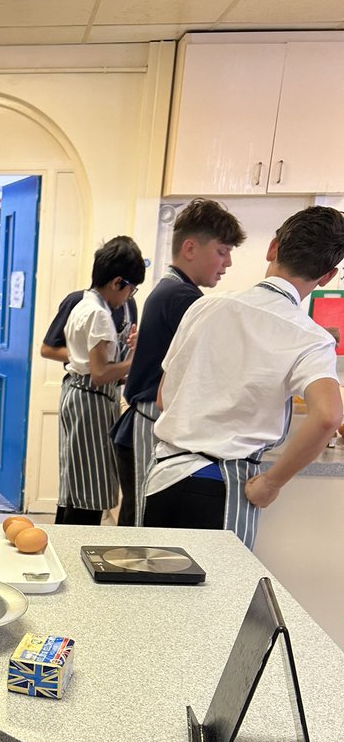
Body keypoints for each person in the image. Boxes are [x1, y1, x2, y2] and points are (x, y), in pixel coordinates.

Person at [142, 206, 344, 549]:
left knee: (153, 594)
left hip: (163, 478)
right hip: (223, 487)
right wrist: (272, 483)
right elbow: (328, 416)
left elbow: (164, 398)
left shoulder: (205, 307)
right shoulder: (309, 337)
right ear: (327, 276)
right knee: (216, 602)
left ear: (273, 247)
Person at [114, 199, 245, 524]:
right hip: (149, 421)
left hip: (142, 422)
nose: (227, 262)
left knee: (136, 526)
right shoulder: (183, 298)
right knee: (142, 533)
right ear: (190, 248)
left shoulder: (171, 290)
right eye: (222, 251)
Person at [55, 236, 146, 525]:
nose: (130, 296)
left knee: (75, 486)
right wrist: (137, 359)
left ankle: (65, 547)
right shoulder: (98, 315)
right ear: (117, 281)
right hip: (90, 400)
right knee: (88, 491)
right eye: (131, 289)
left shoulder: (84, 304)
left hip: (79, 394)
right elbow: (101, 372)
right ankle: (76, 551)